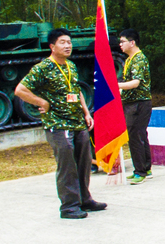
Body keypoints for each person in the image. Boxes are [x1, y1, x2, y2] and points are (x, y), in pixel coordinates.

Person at [16, 30, 103, 219]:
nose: (67, 46)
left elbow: (76, 90)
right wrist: (42, 103)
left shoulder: (71, 65)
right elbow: (20, 90)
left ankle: (84, 199)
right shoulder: (43, 68)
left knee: (84, 161)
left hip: (77, 121)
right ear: (52, 46)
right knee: (67, 164)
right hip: (58, 123)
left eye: (69, 42)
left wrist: (86, 112)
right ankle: (69, 206)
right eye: (62, 42)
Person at [117, 29, 153, 184]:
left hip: (138, 103)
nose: (120, 45)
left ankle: (140, 171)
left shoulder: (138, 59)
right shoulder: (130, 59)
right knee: (140, 135)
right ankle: (145, 167)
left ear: (132, 42)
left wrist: (117, 85)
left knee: (135, 136)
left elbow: (136, 83)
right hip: (134, 102)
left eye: (122, 41)